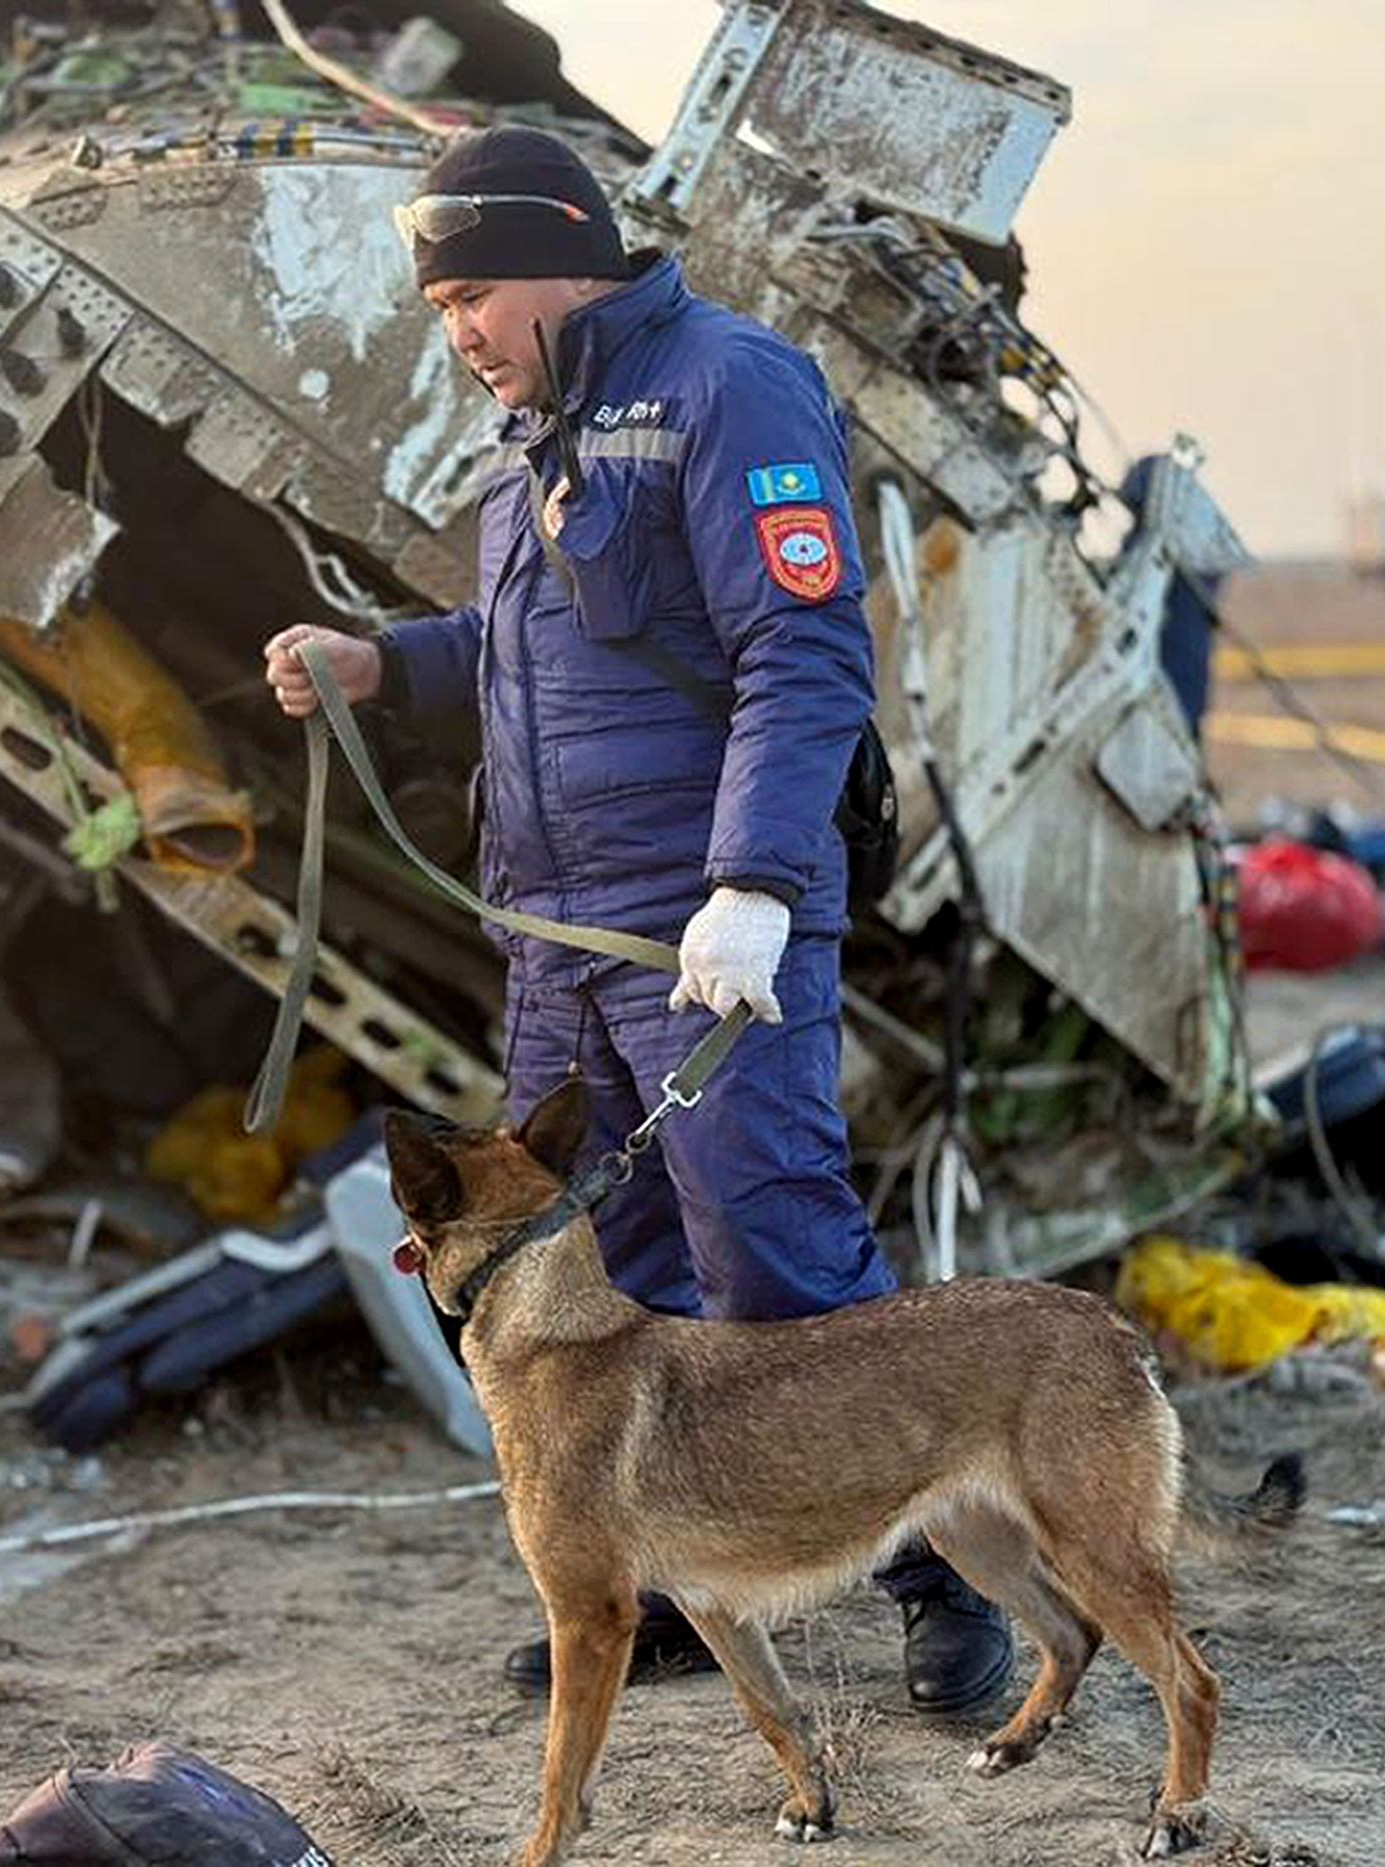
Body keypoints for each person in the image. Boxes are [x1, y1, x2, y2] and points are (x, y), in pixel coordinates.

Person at [263, 126, 1011, 1715]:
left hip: (698, 925)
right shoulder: (534, 433)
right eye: (439, 306)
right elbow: (533, 649)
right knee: (612, 1274)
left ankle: (940, 1584)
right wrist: (384, 665)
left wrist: (751, 885)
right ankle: (667, 1587)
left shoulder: (731, 386)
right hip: (559, 941)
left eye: (470, 293)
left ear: (560, 254)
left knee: (776, 1254)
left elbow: (801, 652)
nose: (457, 331)